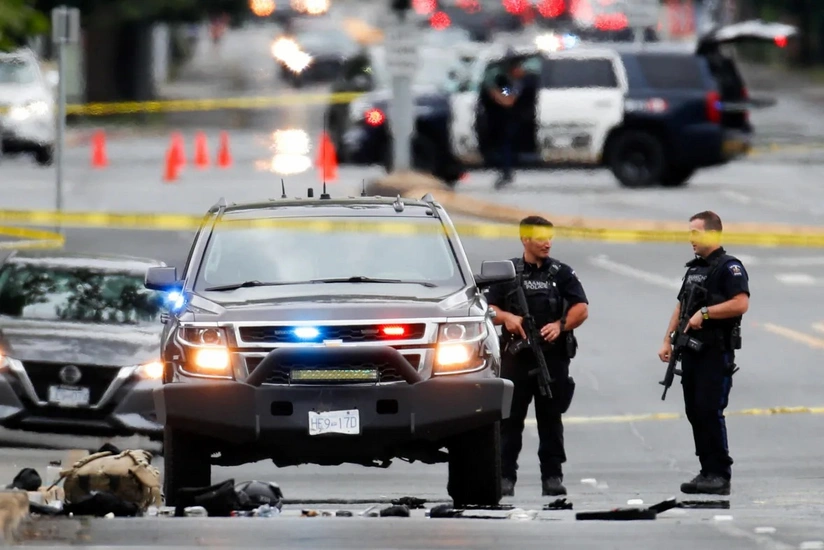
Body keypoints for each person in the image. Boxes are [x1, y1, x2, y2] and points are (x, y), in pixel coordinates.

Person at [485, 216, 589, 497]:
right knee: (509, 422)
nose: (547, 243)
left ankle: (552, 477)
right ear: (525, 239)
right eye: (541, 238)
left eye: (550, 237)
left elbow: (581, 307)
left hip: (552, 359)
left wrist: (560, 325)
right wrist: (506, 317)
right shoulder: (507, 272)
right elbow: (486, 308)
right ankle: (504, 477)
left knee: (551, 420)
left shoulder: (561, 273)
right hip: (515, 358)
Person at [658, 211, 750, 496]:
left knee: (710, 411)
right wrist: (667, 339)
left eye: (696, 233)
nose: (691, 239)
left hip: (715, 351)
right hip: (691, 352)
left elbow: (740, 304)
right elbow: (680, 305)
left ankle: (720, 474)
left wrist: (706, 313)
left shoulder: (729, 268)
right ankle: (706, 470)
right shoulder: (694, 269)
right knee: (695, 411)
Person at [485, 57, 537, 190]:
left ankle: (506, 172)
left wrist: (493, 92)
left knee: (506, 146)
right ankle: (505, 171)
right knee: (504, 145)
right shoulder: (511, 84)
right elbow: (506, 94)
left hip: (520, 119)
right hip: (513, 119)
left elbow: (509, 101)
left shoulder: (522, 83)